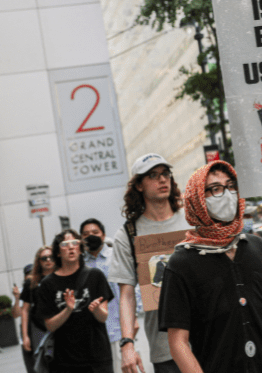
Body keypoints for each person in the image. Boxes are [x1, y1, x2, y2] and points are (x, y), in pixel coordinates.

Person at [158, 160, 262, 372]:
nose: (227, 194)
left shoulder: (258, 247)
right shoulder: (181, 263)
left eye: (231, 186)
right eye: (215, 189)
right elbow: (178, 342)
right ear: (197, 199)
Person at [108, 153, 189, 373]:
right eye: (153, 175)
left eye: (165, 174)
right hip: (165, 348)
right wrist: (127, 344)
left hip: (210, 338)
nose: (162, 180)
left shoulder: (192, 220)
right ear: (139, 186)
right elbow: (125, 294)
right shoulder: (128, 234)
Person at [37, 229, 114, 373]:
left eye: (74, 243)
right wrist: (67, 310)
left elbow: (103, 317)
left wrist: (96, 309)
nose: (71, 247)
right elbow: (50, 326)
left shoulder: (95, 276)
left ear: (80, 248)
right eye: (65, 244)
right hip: (66, 361)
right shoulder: (48, 284)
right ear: (58, 252)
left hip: (98, 357)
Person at [82, 218, 125, 373]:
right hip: (90, 335)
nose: (90, 236)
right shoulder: (79, 264)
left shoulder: (116, 256)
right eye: (85, 234)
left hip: (117, 329)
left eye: (95, 232)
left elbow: (127, 289)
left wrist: (131, 318)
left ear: (103, 234)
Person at [20, 246, 56, 373]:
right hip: (39, 328)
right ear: (39, 261)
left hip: (61, 325)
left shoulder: (63, 276)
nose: (48, 260)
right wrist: (25, 336)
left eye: (51, 257)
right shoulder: (31, 282)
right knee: (43, 364)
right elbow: (24, 310)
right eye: (44, 258)